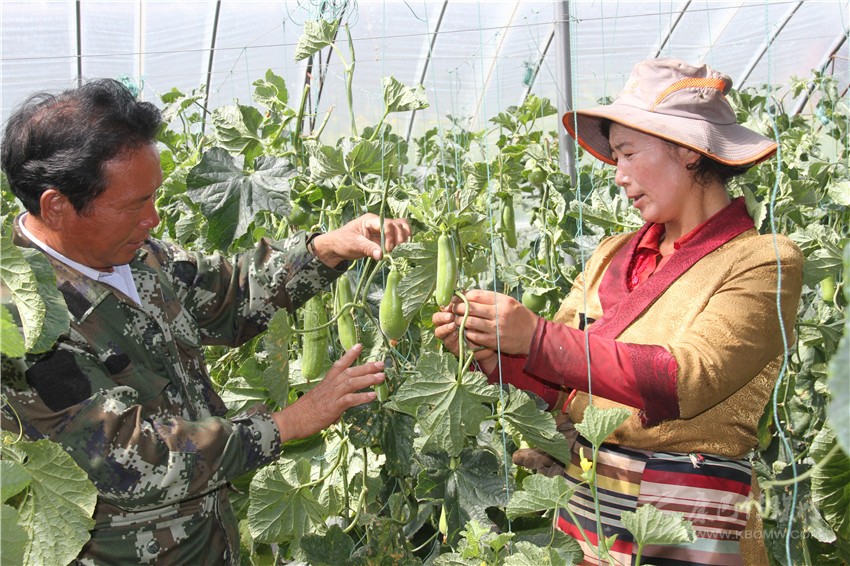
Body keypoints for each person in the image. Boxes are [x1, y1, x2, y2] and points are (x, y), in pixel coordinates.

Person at [0, 78, 410, 564]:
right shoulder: (25, 319)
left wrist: (327, 248)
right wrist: (286, 424)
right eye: (134, 204)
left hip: (205, 542)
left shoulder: (138, 255)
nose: (153, 218)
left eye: (153, 197)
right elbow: (128, 457)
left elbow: (232, 294)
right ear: (57, 206)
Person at [433, 58, 803, 565]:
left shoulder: (764, 261)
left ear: (687, 150)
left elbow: (687, 379)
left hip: (687, 523)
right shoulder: (612, 253)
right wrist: (494, 354)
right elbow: (565, 386)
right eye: (614, 158)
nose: (619, 175)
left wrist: (536, 338)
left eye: (628, 153)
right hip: (587, 511)